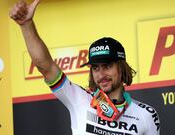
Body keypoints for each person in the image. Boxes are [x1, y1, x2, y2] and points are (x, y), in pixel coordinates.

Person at [9, 0, 161, 134]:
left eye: (107, 66)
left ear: (122, 68)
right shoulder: (79, 98)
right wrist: (26, 25)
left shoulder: (146, 115)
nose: (101, 74)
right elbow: (45, 66)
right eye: (95, 68)